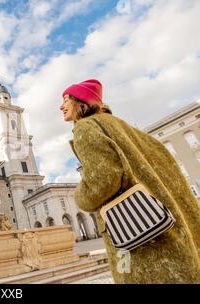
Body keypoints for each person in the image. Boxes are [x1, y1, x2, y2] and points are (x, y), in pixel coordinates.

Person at [60, 79, 200, 283]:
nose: (61, 106)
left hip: (140, 237)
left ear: (81, 102)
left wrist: (80, 196)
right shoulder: (123, 126)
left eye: (66, 99)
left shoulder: (85, 128)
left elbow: (103, 181)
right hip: (168, 226)